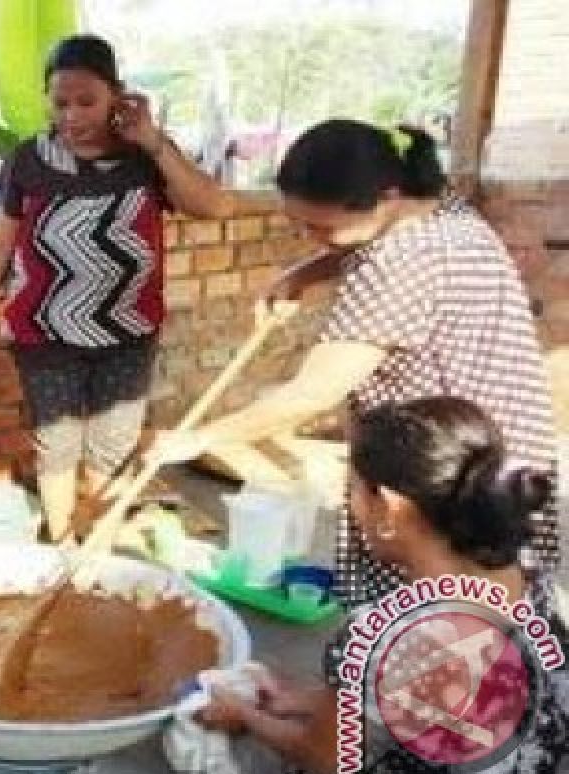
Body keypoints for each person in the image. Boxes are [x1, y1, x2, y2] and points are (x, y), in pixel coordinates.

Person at [151, 119, 558, 607]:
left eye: (322, 228)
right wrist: (308, 271)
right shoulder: (443, 212)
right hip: (503, 441)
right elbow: (365, 242)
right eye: (299, 224)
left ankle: (394, 673)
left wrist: (198, 438)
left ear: (385, 195)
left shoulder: (395, 265)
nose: (309, 237)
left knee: (439, 614)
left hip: (446, 471)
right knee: (499, 599)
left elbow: (313, 392)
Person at [196, 396, 569, 774]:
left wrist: (247, 716)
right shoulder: (535, 584)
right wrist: (298, 700)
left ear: (390, 508)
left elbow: (329, 757)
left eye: (353, 489)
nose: (349, 506)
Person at [0, 33, 235, 543]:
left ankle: (99, 549)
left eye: (88, 101)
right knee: (56, 447)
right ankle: (64, 550)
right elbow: (0, 244)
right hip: (44, 332)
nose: (74, 116)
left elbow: (214, 207)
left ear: (117, 98)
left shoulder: (145, 157)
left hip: (128, 332)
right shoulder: (28, 161)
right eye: (61, 103)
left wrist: (152, 140)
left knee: (112, 450)